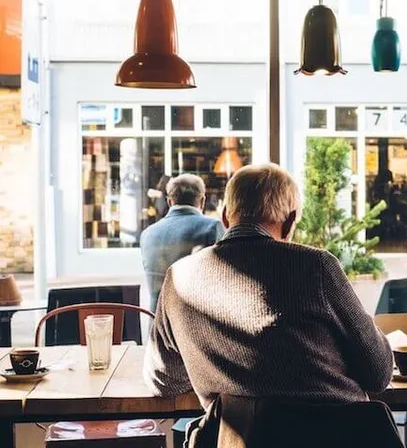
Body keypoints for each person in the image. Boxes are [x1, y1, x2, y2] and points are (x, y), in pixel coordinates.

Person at [143, 163, 393, 408]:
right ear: (290, 221)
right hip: (338, 435)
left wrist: (214, 364)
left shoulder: (178, 278)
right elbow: (378, 372)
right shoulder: (316, 267)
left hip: (236, 439)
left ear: (225, 217)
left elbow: (163, 380)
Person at [140, 173, 224, 312]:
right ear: (202, 201)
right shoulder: (212, 227)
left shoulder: (147, 234)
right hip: (195, 326)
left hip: (157, 325)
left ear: (170, 202)